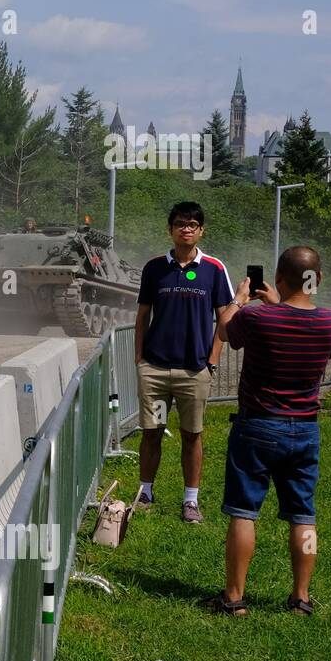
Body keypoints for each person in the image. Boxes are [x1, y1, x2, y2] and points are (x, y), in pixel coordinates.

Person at [207, 246, 331, 616]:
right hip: (305, 430)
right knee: (304, 516)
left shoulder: (259, 318)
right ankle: (301, 597)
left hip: (258, 425)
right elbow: (300, 319)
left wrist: (239, 299)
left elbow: (225, 330)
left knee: (244, 512)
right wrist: (280, 300)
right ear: (318, 279)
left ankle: (234, 598)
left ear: (279, 276)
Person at [134, 201, 235, 522]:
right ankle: (145, 492)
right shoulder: (154, 268)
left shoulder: (214, 270)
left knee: (192, 434)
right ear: (170, 229)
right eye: (180, 223)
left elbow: (225, 319)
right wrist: (139, 359)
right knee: (152, 430)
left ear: (201, 230)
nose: (186, 228)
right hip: (156, 371)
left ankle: (190, 501)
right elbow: (142, 316)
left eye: (192, 224)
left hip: (193, 371)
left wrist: (213, 360)